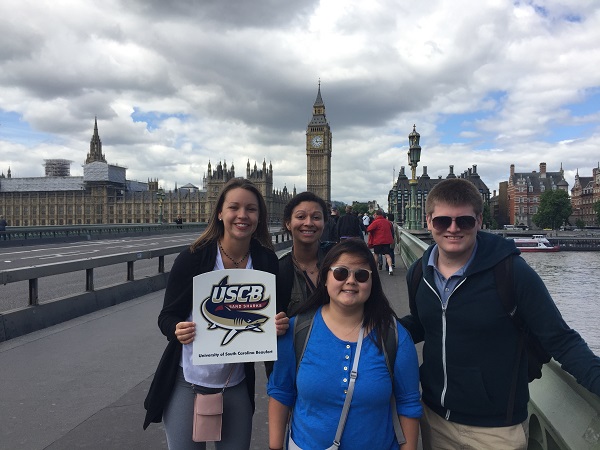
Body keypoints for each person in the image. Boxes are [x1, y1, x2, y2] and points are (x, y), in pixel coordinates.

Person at [399, 178, 600, 449]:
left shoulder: (512, 273)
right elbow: (424, 324)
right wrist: (371, 329)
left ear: (479, 221)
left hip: (496, 430)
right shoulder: (418, 274)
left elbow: (562, 340)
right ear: (428, 221)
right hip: (435, 419)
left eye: (465, 221)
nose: (453, 229)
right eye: (443, 221)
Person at [143, 178, 279, 449]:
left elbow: (272, 319)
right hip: (187, 380)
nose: (242, 215)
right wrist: (176, 329)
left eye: (251, 209)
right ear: (220, 212)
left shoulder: (265, 261)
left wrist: (278, 325)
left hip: (235, 381)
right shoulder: (193, 258)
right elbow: (167, 317)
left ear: (259, 216)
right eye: (234, 207)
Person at [268, 239, 422, 450]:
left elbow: (409, 404)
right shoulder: (297, 331)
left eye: (361, 275)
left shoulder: (394, 336)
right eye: (340, 273)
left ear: (371, 283)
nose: (351, 281)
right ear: (325, 278)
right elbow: (280, 392)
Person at [276, 191, 329, 317]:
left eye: (316, 217)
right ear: (288, 223)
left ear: (324, 223)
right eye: (301, 217)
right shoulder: (278, 270)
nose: (309, 223)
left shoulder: (339, 261)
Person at [367, 209, 394, 276]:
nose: (374, 216)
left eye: (375, 215)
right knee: (387, 255)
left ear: (377, 215)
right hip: (387, 241)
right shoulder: (387, 222)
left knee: (376, 254)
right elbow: (391, 229)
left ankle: (375, 270)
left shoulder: (376, 222)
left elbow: (368, 229)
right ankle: (390, 268)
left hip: (378, 241)